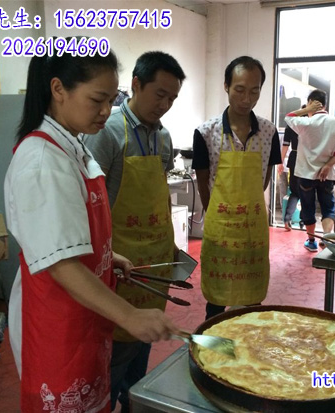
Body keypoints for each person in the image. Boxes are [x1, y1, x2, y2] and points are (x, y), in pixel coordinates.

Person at [4, 41, 178, 413]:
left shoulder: (73, 148)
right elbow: (60, 264)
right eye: (97, 99)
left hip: (85, 318)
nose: (105, 111)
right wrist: (129, 315)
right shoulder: (41, 160)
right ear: (58, 89)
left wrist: (105, 255)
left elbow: (63, 234)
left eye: (111, 99)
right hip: (58, 323)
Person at [83, 50, 185, 412]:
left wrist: (171, 248)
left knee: (142, 343)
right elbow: (92, 205)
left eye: (172, 98)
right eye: (160, 94)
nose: (166, 104)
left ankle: (132, 400)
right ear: (136, 84)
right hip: (120, 262)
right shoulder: (107, 132)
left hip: (154, 262)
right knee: (115, 349)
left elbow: (157, 190)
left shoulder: (164, 137)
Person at [192, 56, 282, 320]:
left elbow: (266, 175)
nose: (246, 99)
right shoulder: (205, 132)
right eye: (240, 90)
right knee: (217, 303)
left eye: (254, 91)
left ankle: (248, 356)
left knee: (251, 303)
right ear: (226, 86)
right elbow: (203, 179)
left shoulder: (269, 131)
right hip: (221, 229)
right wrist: (220, 216)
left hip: (253, 228)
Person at [284, 89, 335, 252]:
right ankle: (327, 239)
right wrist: (327, 165)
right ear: (325, 104)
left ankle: (312, 241)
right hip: (327, 176)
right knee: (328, 207)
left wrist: (306, 110)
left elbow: (288, 117)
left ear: (311, 102)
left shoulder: (305, 123)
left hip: (305, 175)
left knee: (308, 207)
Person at [277, 104, 306, 231]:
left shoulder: (291, 126)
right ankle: (303, 221)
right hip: (307, 160)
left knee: (294, 191)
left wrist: (280, 162)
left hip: (294, 158)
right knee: (306, 191)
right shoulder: (310, 126)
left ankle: (287, 218)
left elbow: (285, 145)